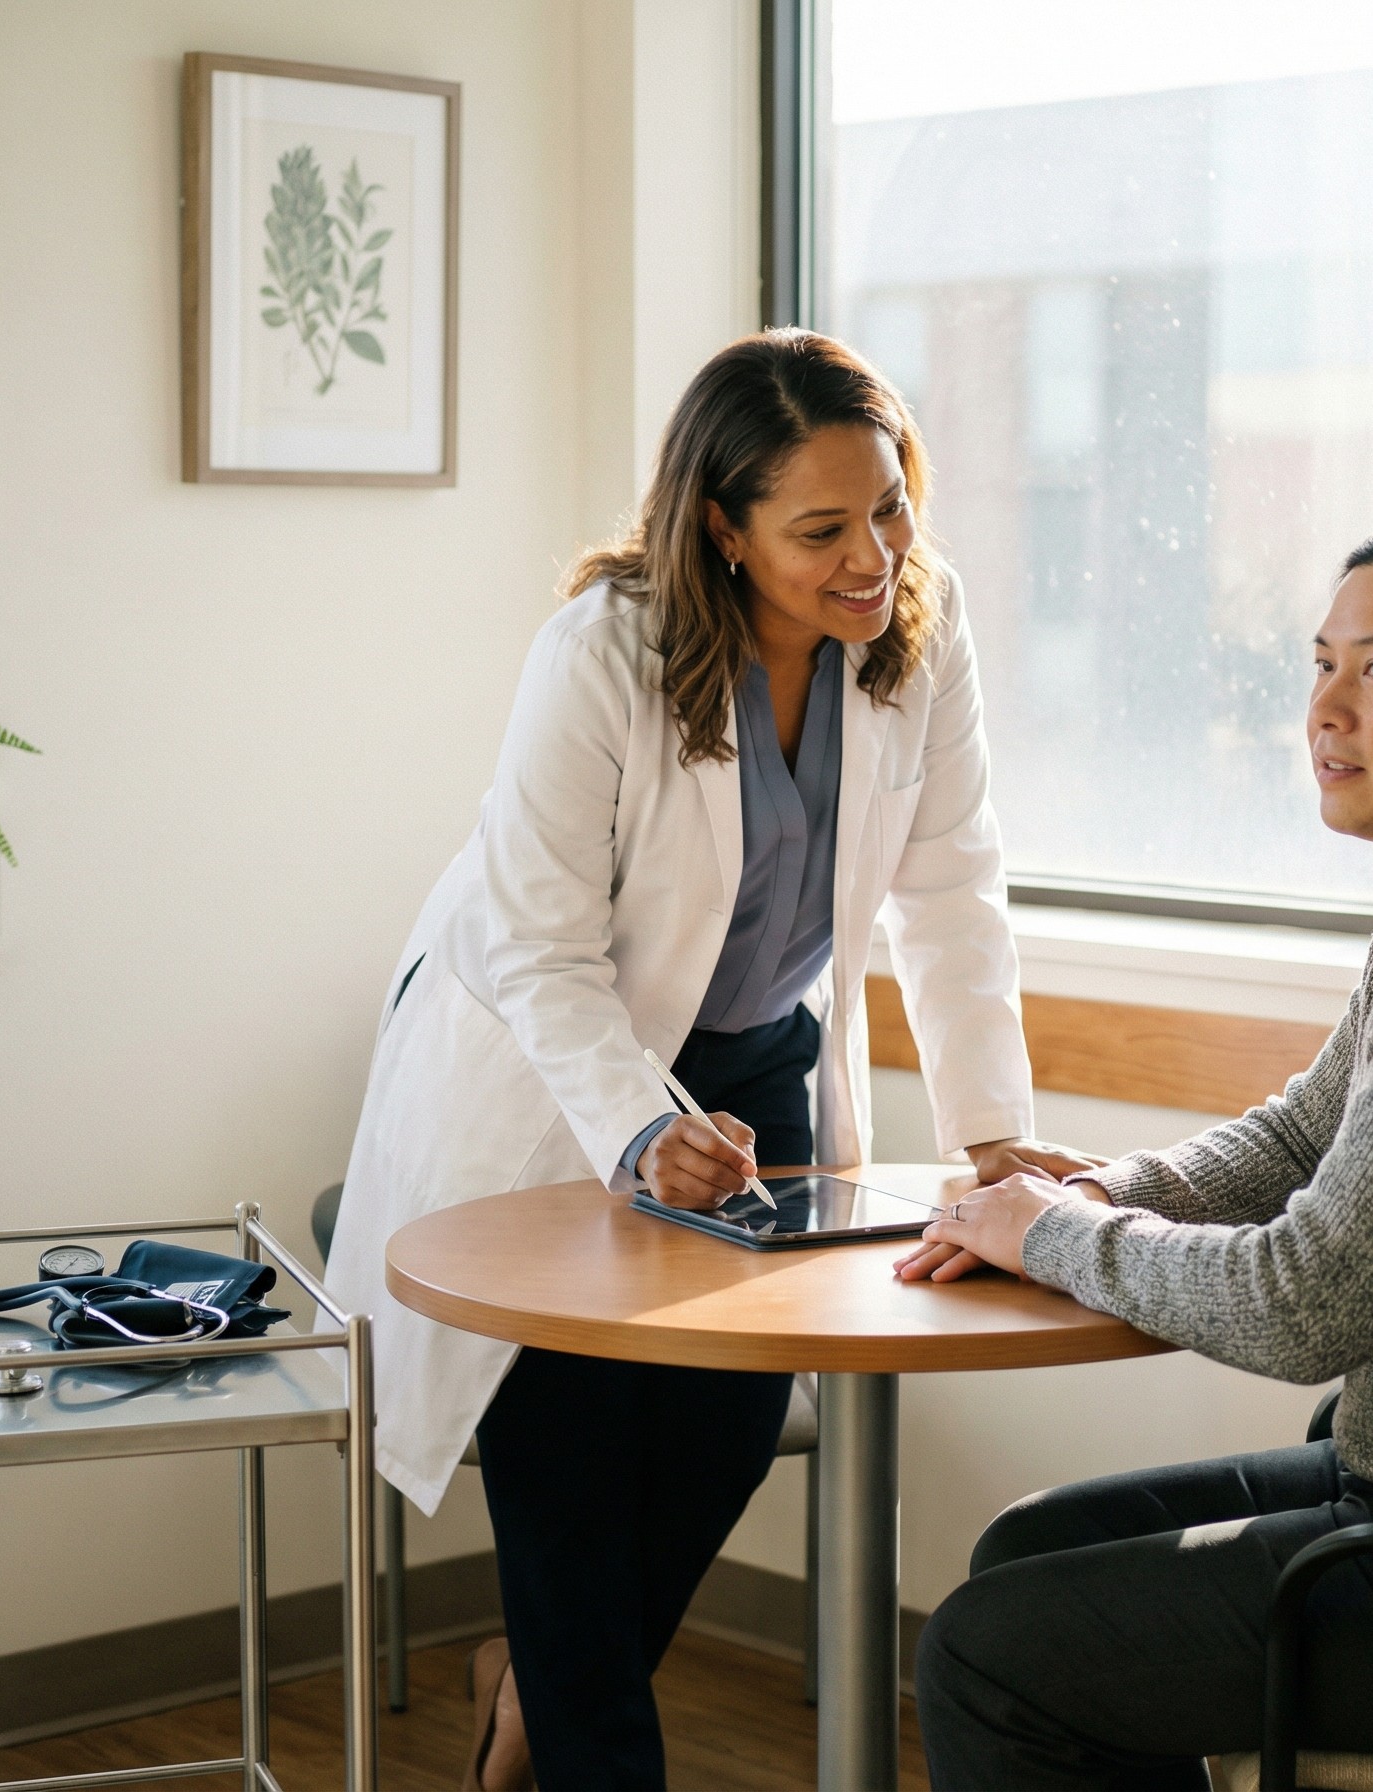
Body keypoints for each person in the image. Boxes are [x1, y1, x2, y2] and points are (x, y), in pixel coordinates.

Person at [321, 328, 1099, 1792]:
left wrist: (996, 1134)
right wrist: (631, 1127)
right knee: (562, 1432)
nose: (872, 553)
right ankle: (585, 1740)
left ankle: (538, 1689)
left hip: (754, 1065)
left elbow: (950, 886)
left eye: (890, 505)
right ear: (721, 530)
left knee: (729, 1419)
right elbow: (538, 948)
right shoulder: (603, 653)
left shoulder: (921, 633)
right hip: (549, 1073)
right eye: (821, 529)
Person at [897, 510, 1373, 1788]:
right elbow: (1305, 1131)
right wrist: (1095, 1189)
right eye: (1321, 663)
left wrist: (1060, 1237)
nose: (1326, 711)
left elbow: (1309, 1302)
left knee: (984, 1653)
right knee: (1025, 1554)